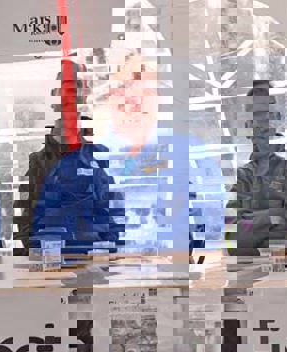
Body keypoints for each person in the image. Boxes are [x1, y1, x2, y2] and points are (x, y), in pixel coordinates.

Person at [91, 51, 225, 256]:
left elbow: (214, 221)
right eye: (124, 88)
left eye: (145, 90)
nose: (134, 99)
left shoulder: (189, 152)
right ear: (110, 97)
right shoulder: (89, 159)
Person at [27, 60, 124, 257]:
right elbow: (29, 220)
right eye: (64, 86)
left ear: (84, 95)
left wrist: (107, 252)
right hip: (53, 261)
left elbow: (113, 213)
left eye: (76, 86)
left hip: (93, 259)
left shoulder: (100, 154)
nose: (69, 93)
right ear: (55, 94)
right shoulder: (39, 161)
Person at [226, 80, 287, 256]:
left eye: (267, 115)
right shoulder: (243, 176)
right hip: (251, 270)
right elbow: (233, 240)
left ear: (277, 120)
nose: (262, 123)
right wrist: (276, 214)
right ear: (247, 126)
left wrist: (251, 222)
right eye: (256, 116)